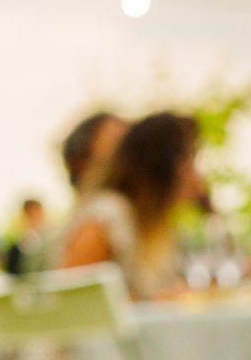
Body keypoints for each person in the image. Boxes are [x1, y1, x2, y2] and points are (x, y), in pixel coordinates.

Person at [58, 111, 201, 299]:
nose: (196, 177)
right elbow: (71, 299)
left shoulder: (155, 226)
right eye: (187, 164)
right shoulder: (107, 216)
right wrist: (156, 301)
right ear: (162, 169)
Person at [4, 197, 50, 276]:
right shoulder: (16, 248)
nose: (35, 218)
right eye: (31, 214)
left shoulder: (50, 241)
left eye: (37, 214)